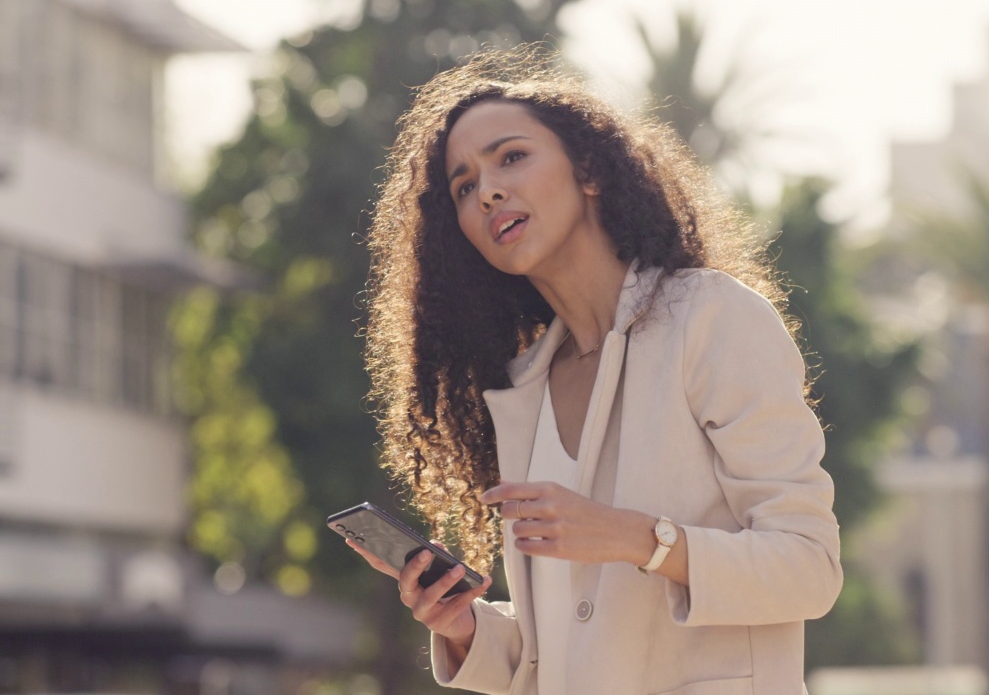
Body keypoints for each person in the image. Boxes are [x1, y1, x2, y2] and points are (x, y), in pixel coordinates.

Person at [355, 46, 842, 695]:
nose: (488, 190)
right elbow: (553, 653)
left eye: (512, 157)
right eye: (464, 186)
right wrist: (464, 625)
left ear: (589, 170)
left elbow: (810, 569)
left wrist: (636, 539)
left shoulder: (711, 319)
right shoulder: (524, 391)